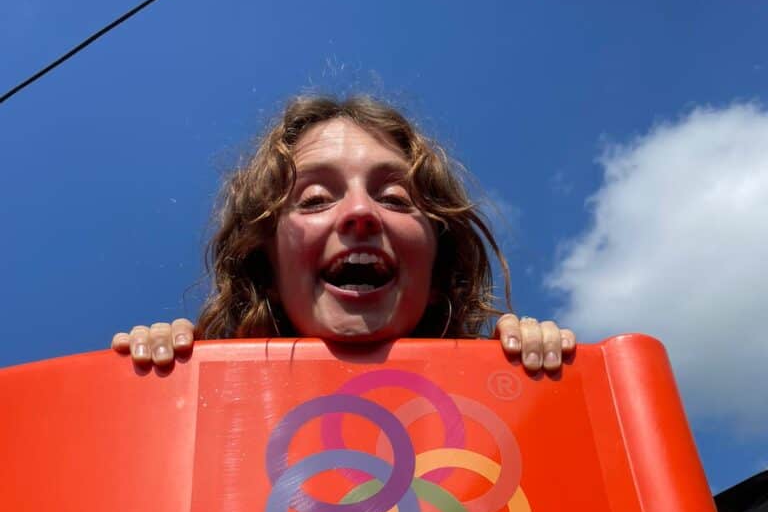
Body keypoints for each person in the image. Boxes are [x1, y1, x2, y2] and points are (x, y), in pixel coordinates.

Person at [112, 94, 575, 364]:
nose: (361, 211)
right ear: (267, 272)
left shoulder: (503, 403)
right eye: (315, 200)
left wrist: (541, 388)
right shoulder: (206, 417)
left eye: (394, 199)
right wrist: (153, 388)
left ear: (438, 275)